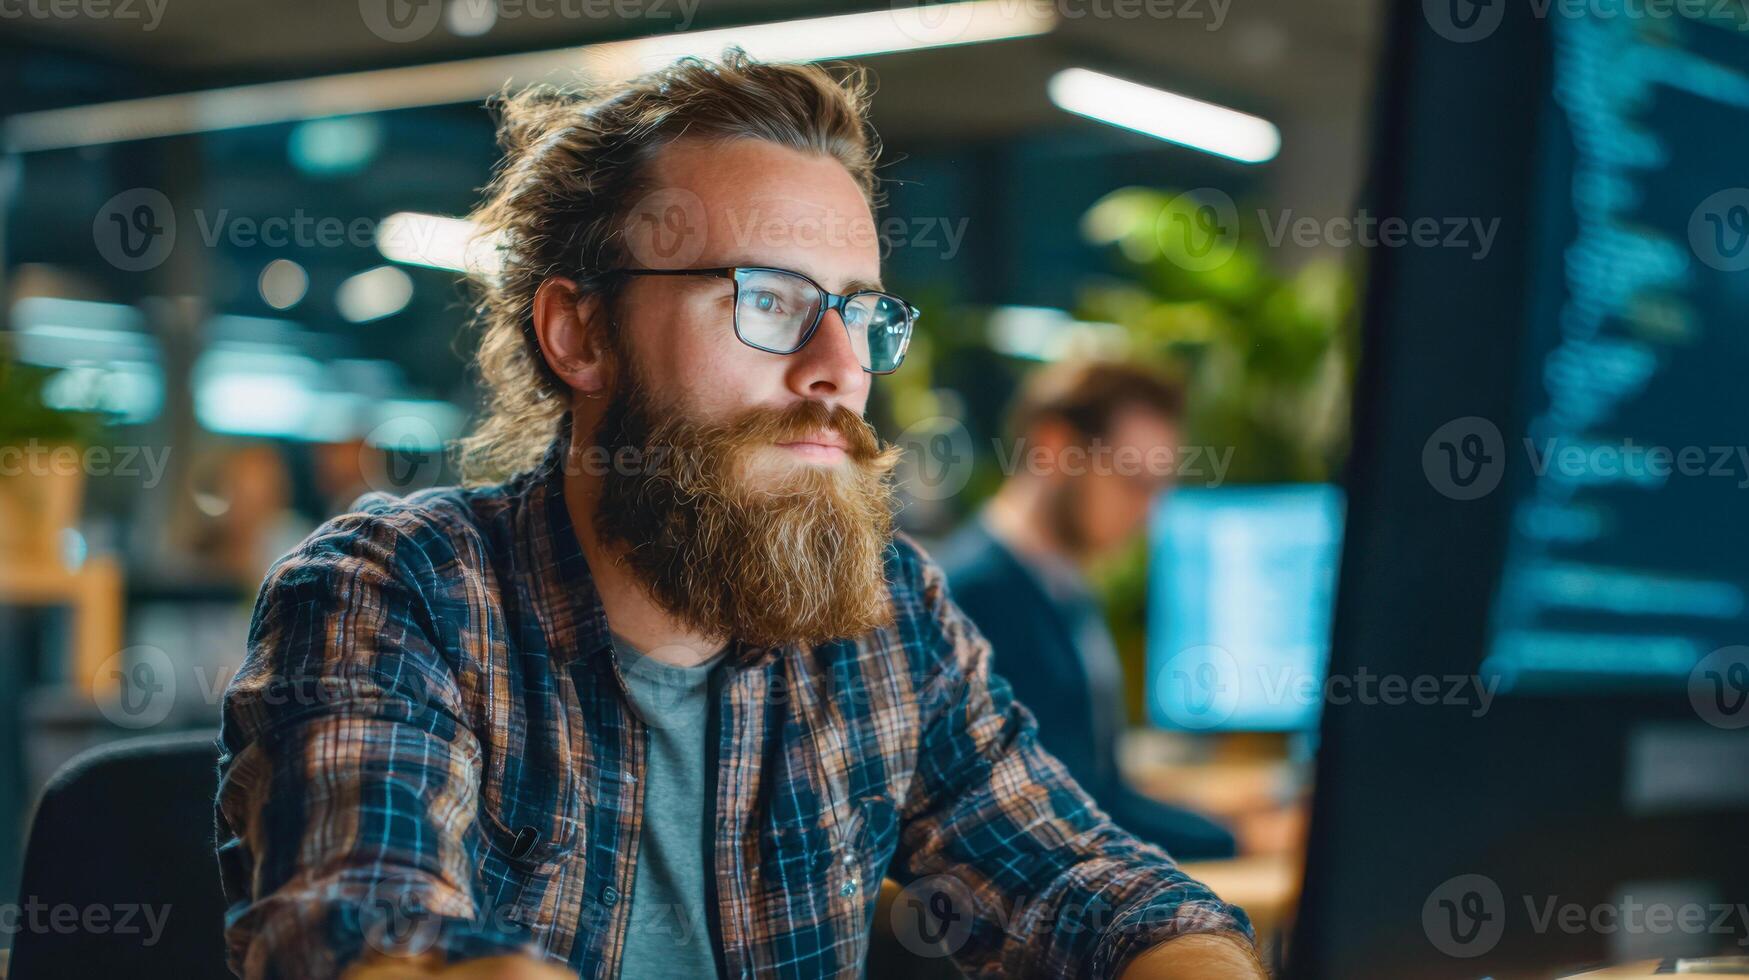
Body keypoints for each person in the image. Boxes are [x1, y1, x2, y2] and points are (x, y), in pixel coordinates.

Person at [214, 51, 1264, 980]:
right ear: (579, 332)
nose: (839, 369)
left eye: (859, 311)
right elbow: (364, 930)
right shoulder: (405, 590)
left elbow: (1087, 884)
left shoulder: (886, 612)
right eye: (768, 299)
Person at [937, 361, 1238, 861]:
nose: (1147, 512)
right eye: (1133, 480)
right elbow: (1061, 818)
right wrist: (1236, 838)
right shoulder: (972, 600)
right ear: (1054, 449)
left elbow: (1095, 788)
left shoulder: (1061, 589)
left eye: (1159, 487)